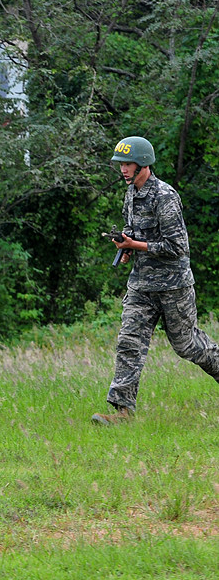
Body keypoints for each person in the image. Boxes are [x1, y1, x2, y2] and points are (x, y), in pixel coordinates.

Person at [92, 137, 219, 425]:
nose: (123, 170)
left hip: (173, 286)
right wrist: (125, 247)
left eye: (127, 164)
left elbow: (177, 247)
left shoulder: (165, 196)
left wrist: (137, 246)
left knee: (188, 346)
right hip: (141, 286)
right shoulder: (130, 194)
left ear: (143, 164)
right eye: (121, 165)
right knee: (128, 342)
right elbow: (132, 229)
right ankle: (123, 413)